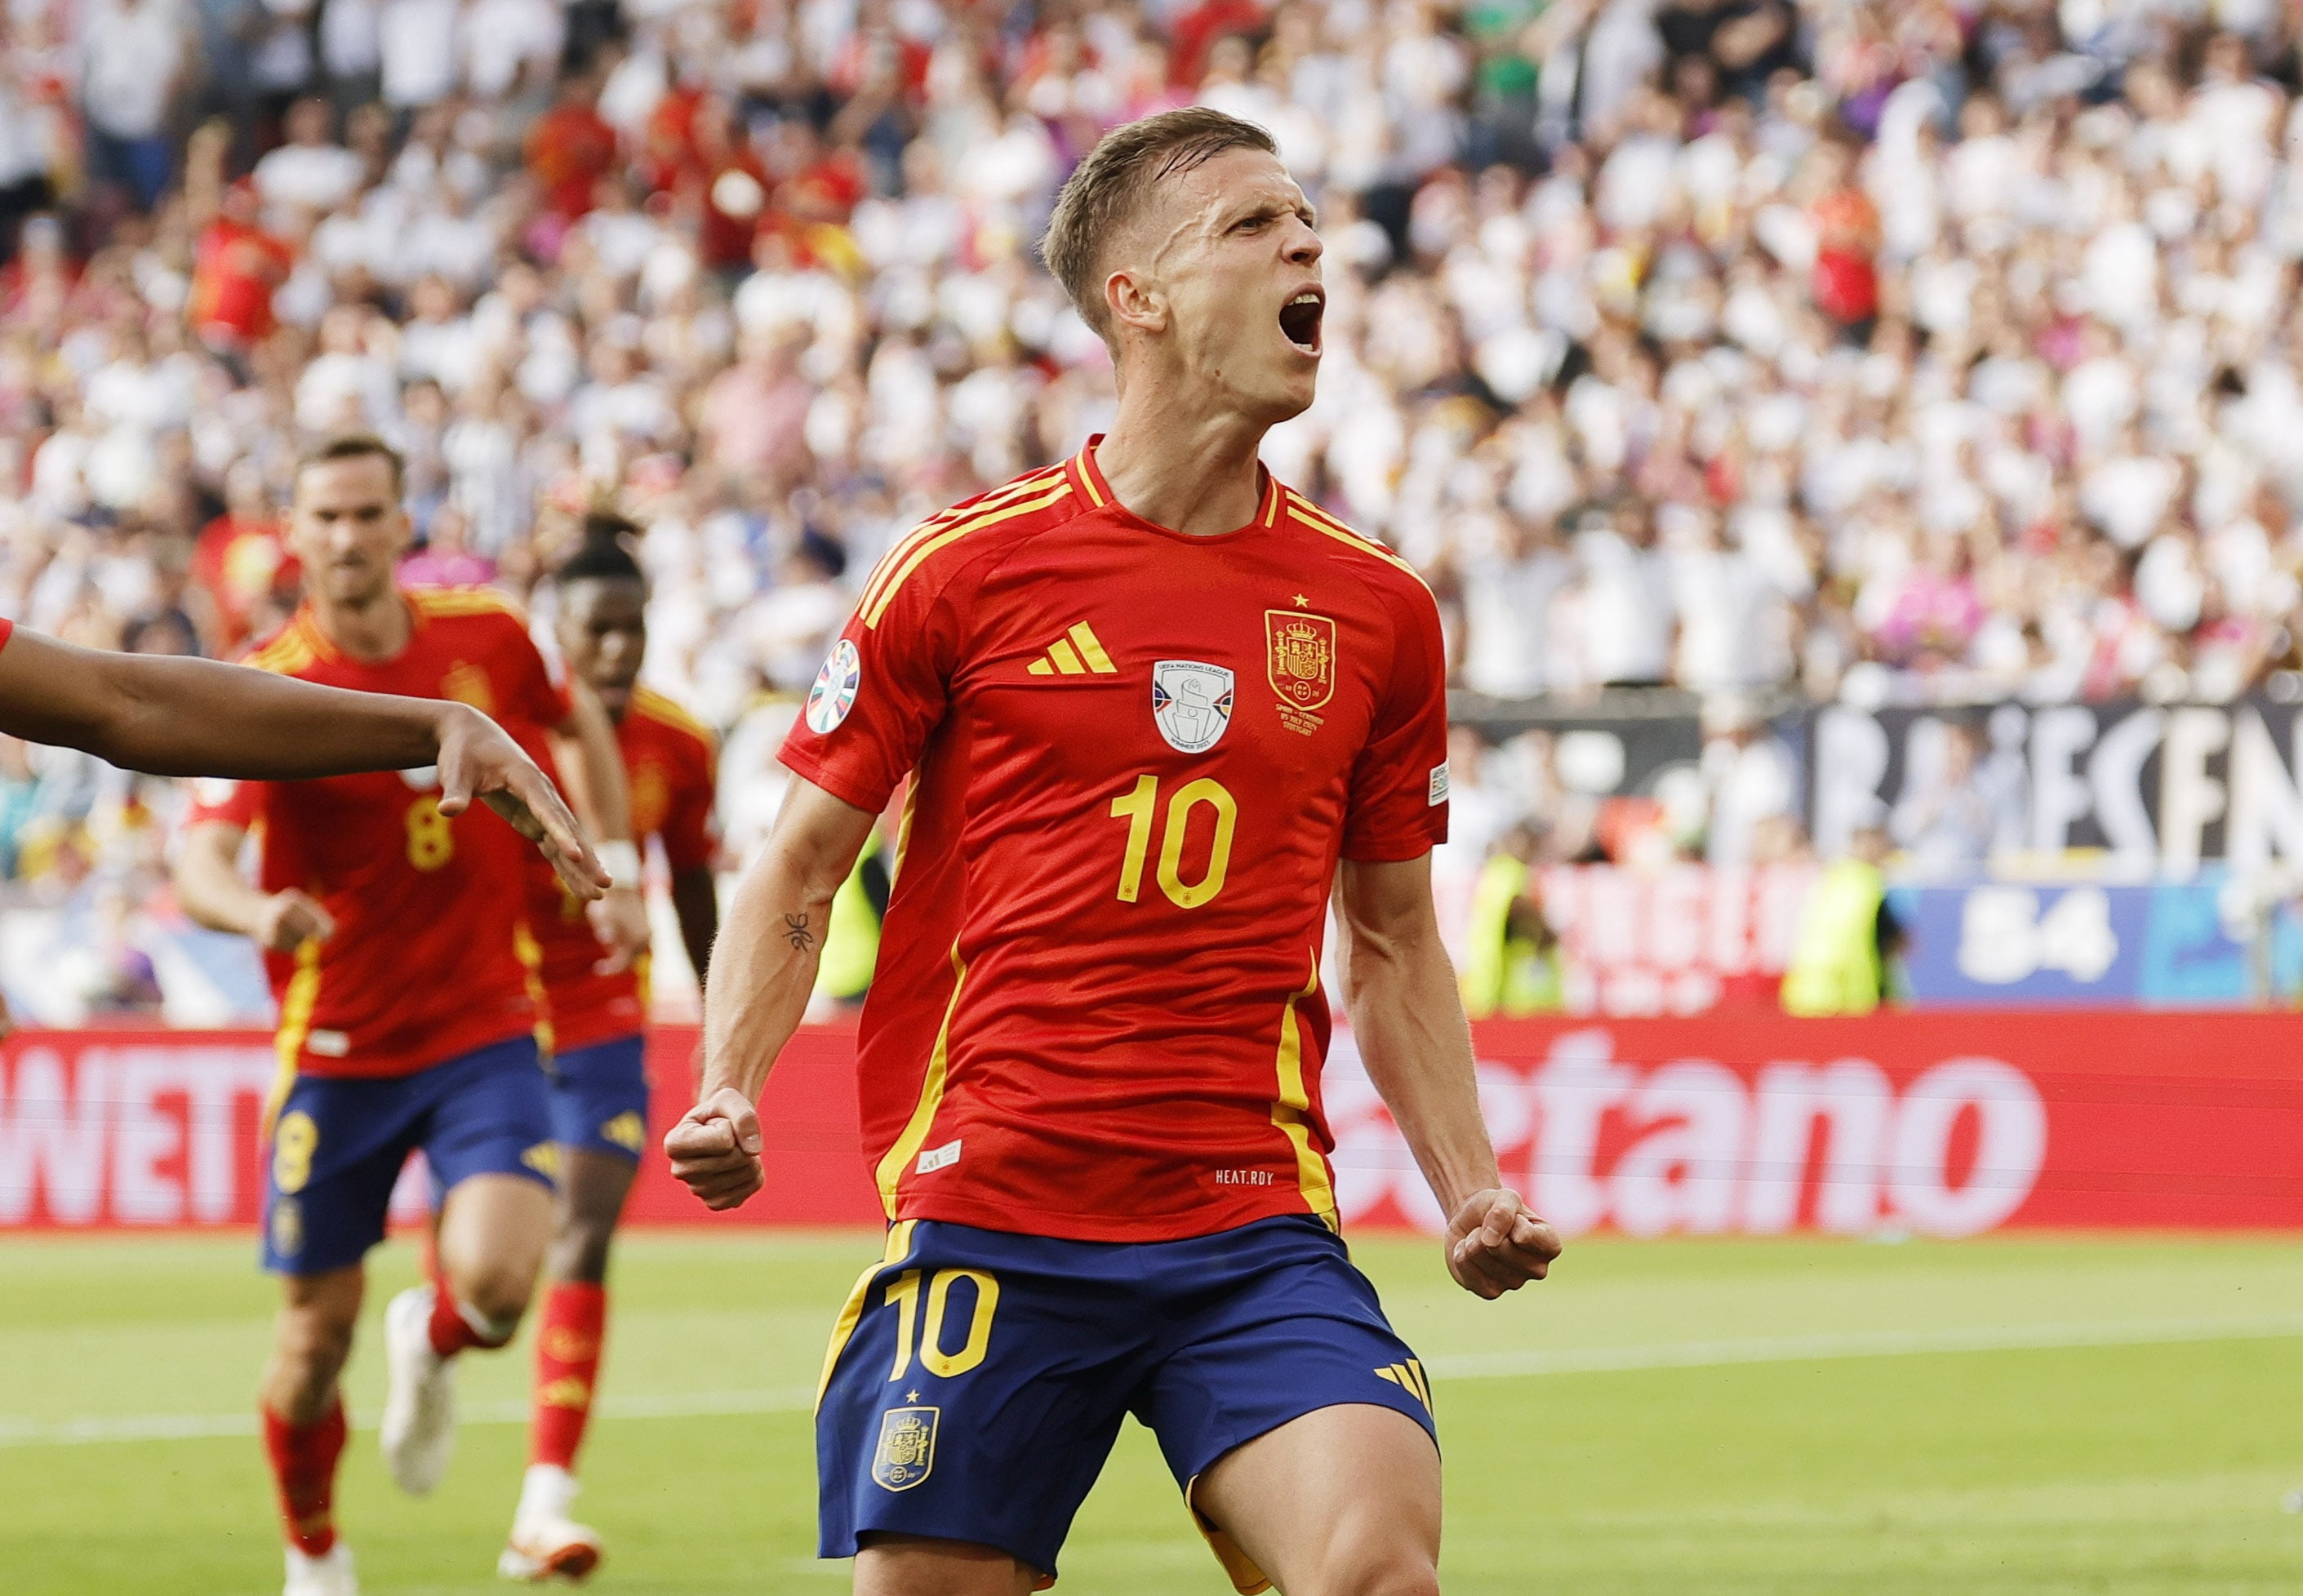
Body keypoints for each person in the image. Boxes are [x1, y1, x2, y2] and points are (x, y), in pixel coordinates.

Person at [665, 108, 1560, 1596]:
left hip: (1249, 1223)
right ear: (1131, 298)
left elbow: (1395, 939)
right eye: (1250, 224)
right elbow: (799, 866)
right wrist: (727, 1086)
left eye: (1304, 220)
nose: (1304, 245)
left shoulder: (1377, 608)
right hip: (996, 1212)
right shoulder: (960, 570)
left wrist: (1465, 1183)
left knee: (1377, 1573)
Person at [172, 433, 649, 1596]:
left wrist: (619, 861)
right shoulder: (273, 676)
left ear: (401, 525)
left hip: (485, 1025)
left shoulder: (483, 637)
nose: (345, 536)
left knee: (495, 1288)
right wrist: (256, 912)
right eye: (324, 516)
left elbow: (576, 711)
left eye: (366, 513)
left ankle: (431, 1338)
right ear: (293, 531)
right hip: (336, 1050)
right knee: (309, 1343)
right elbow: (200, 860)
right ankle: (316, 1555)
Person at [501, 513, 720, 1580]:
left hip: (601, 1019)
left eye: (632, 628)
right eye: (596, 631)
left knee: (583, 1236)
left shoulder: (679, 745)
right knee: (490, 1286)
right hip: (489, 1014)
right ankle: (435, 1331)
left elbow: (696, 897)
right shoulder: (499, 732)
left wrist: (726, 1031)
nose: (617, 651)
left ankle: (545, 1504)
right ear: (556, 629)